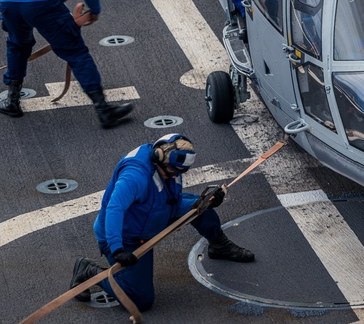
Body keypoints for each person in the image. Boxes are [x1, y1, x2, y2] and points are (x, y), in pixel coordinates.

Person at [70, 133, 254, 311]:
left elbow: (171, 196)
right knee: (140, 300)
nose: (175, 176)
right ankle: (89, 272)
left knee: (203, 207)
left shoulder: (167, 163)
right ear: (159, 159)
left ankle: (219, 245)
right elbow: (114, 209)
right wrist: (117, 248)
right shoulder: (134, 177)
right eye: (172, 172)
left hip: (157, 211)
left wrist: (211, 199)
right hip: (127, 235)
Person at [0, 0, 133, 128]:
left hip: (9, 2)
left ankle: (12, 100)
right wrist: (94, 10)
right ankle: (103, 109)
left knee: (17, 44)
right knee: (76, 53)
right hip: (42, 1)